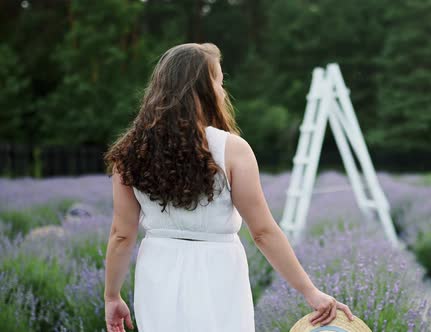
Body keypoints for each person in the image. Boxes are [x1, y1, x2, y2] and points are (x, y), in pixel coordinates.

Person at [102, 43, 355, 332]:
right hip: (219, 269)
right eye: (219, 81)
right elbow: (262, 232)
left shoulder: (130, 150)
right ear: (205, 89)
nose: (222, 91)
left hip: (157, 268)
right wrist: (311, 292)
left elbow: (122, 235)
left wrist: (112, 296)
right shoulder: (232, 149)